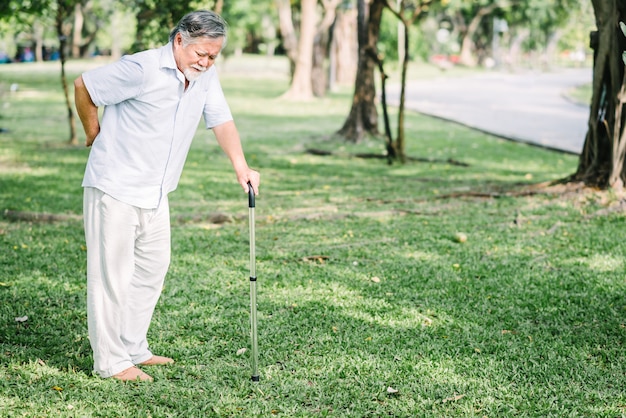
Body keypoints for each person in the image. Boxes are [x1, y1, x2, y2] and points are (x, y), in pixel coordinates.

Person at [74, 10, 260, 382]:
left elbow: (220, 119)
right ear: (179, 41)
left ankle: (133, 347)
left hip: (157, 192)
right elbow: (84, 86)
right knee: (112, 276)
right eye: (201, 55)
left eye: (213, 56)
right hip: (116, 186)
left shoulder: (204, 77)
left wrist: (241, 166)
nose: (206, 63)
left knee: (151, 270)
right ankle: (110, 363)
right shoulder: (141, 68)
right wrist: (93, 133)